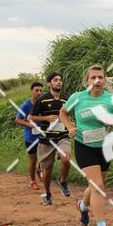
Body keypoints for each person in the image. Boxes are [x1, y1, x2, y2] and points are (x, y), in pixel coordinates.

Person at [59, 64, 113, 226]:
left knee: (96, 185)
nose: (97, 80)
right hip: (84, 145)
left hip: (104, 147)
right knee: (97, 185)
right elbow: (63, 113)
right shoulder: (78, 98)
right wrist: (70, 127)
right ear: (87, 81)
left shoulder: (112, 100)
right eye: (93, 77)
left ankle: (83, 205)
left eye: (100, 77)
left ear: (104, 80)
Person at [28, 72, 71, 205]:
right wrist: (45, 118)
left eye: (60, 80)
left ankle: (62, 181)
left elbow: (68, 116)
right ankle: (47, 193)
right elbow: (30, 118)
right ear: (49, 84)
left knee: (66, 159)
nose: (59, 82)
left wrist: (71, 125)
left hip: (62, 136)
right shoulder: (42, 100)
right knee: (48, 168)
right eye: (55, 80)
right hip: (47, 139)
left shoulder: (66, 99)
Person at [15, 81, 43, 190]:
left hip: (41, 135)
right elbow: (17, 119)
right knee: (33, 160)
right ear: (31, 91)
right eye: (37, 90)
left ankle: (39, 170)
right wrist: (29, 125)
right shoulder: (26, 105)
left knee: (44, 158)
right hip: (30, 138)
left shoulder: (43, 103)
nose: (39, 92)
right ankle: (33, 181)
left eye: (41, 90)